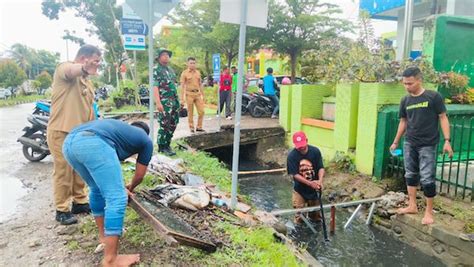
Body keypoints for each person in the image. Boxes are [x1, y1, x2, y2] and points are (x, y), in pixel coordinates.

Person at [63, 119, 152, 267]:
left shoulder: (119, 130)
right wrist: (130, 188)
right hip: (93, 143)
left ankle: (104, 238)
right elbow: (140, 175)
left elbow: (107, 175)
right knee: (117, 198)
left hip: (70, 143)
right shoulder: (146, 141)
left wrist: (120, 186)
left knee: (97, 188)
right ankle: (111, 260)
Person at [390, 66, 453, 225]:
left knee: (427, 178)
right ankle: (412, 205)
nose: (407, 86)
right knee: (410, 174)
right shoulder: (405, 100)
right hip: (410, 142)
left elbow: (443, 117)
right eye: (404, 83)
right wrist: (396, 141)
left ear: (419, 80)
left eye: (410, 83)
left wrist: (447, 140)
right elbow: (403, 122)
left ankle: (429, 212)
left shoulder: (433, 97)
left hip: (428, 144)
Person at [47, 44, 102, 225]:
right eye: (95, 61)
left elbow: (88, 107)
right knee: (63, 170)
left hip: (80, 133)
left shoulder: (87, 81)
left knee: (79, 168)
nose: (98, 65)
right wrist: (84, 67)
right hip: (61, 131)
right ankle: (61, 209)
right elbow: (71, 71)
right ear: (84, 58)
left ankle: (79, 202)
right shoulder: (64, 68)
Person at [287, 131, 325, 223]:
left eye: (303, 144)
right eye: (299, 146)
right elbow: (295, 175)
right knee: (299, 216)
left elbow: (321, 168)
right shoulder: (292, 156)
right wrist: (309, 183)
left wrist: (319, 181)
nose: (301, 147)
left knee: (316, 216)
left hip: (315, 188)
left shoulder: (315, 151)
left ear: (307, 140)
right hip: (300, 190)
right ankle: (299, 234)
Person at [153, 48, 179, 156]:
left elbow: (174, 85)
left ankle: (168, 144)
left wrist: (179, 100)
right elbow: (155, 86)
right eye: (163, 55)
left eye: (167, 55)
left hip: (174, 100)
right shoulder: (156, 70)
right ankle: (161, 146)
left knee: (173, 123)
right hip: (164, 101)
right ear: (158, 57)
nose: (166, 56)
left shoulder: (170, 70)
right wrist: (158, 102)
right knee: (164, 124)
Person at [180, 57, 205, 133]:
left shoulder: (198, 72)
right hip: (189, 94)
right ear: (188, 64)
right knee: (190, 112)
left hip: (197, 94)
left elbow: (200, 84)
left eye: (194, 63)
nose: (192, 64)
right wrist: (182, 99)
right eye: (191, 63)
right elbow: (182, 86)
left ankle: (199, 127)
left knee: (202, 111)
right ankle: (191, 127)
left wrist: (203, 95)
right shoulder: (184, 73)